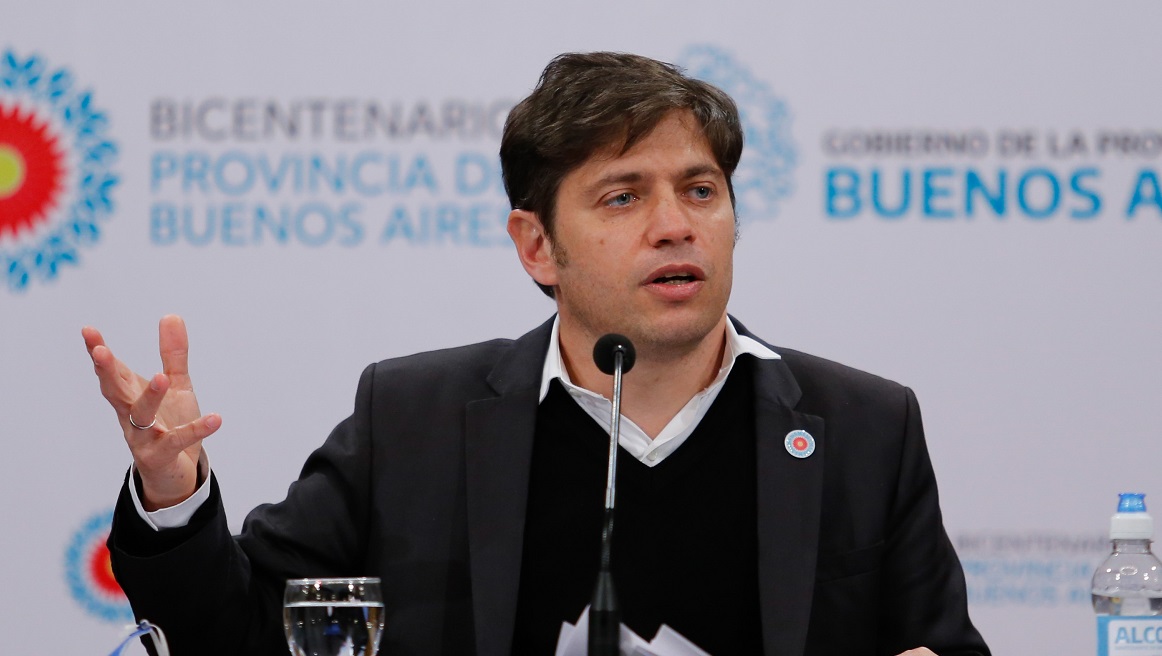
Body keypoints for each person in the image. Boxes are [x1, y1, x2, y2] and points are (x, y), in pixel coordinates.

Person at [83, 52, 989, 655]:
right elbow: (234, 634)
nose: (675, 225)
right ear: (536, 246)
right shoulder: (415, 420)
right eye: (623, 197)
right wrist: (173, 492)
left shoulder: (862, 428)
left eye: (700, 190)